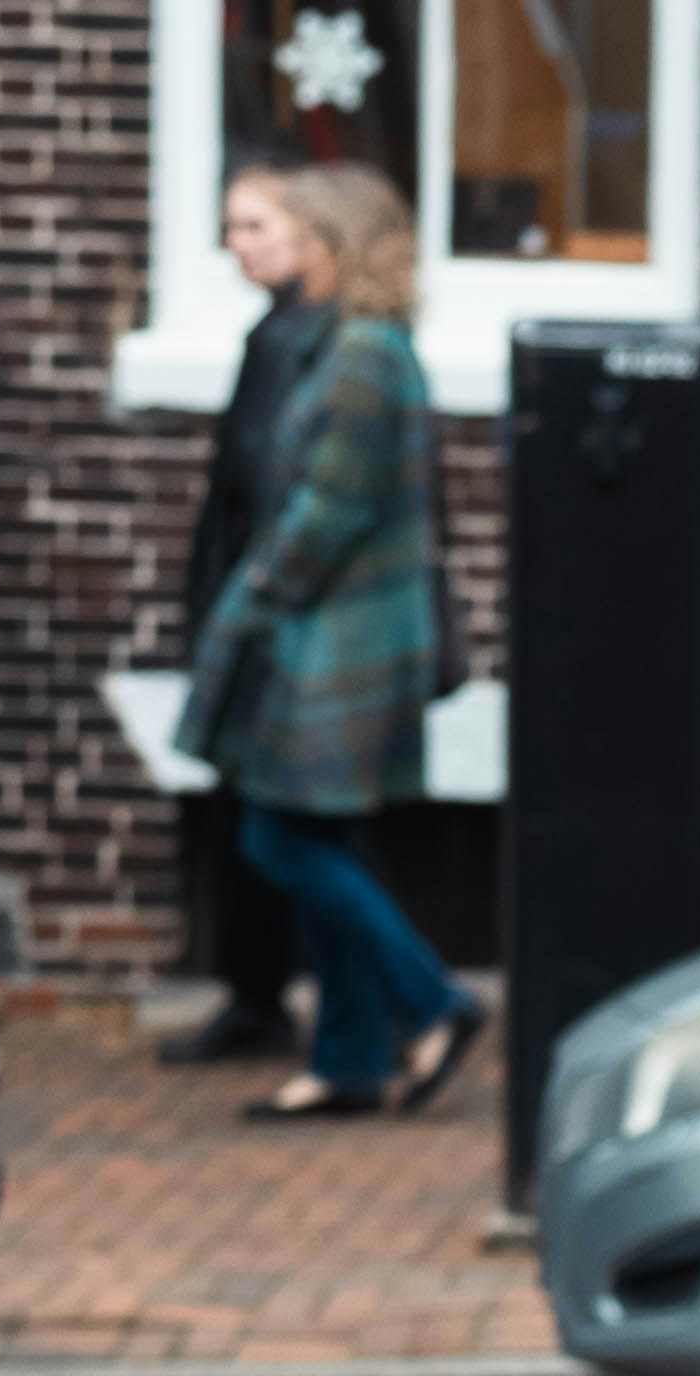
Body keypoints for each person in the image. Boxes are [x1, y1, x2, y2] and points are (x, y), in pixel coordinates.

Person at [172, 165, 479, 1125]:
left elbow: (329, 512)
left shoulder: (364, 355)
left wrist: (255, 599)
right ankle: (349, 1061)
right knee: (315, 835)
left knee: (278, 834)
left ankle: (433, 1000)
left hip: (338, 644)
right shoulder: (351, 344)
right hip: (336, 633)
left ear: (336, 242)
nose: (285, 247)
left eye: (300, 231)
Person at [159, 169, 329, 1068]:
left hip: (262, 620)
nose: (238, 244)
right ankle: (264, 995)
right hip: (252, 609)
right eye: (232, 226)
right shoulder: (279, 333)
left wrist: (240, 607)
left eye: (256, 225)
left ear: (307, 232)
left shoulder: (299, 340)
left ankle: (271, 998)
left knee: (269, 820)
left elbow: (261, 485)